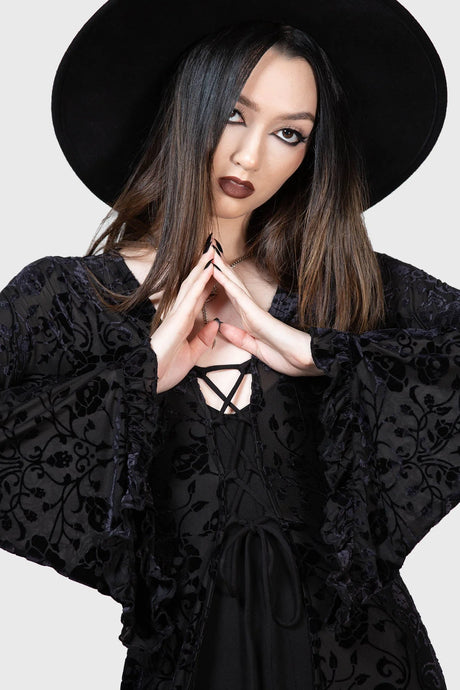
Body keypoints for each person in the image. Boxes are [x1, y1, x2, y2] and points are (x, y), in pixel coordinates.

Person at [1, 1, 459, 689]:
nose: (251, 155)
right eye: (233, 114)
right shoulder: (69, 301)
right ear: (186, 108)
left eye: (289, 134)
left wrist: (326, 356)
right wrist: (139, 375)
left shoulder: (351, 288)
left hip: (365, 666)